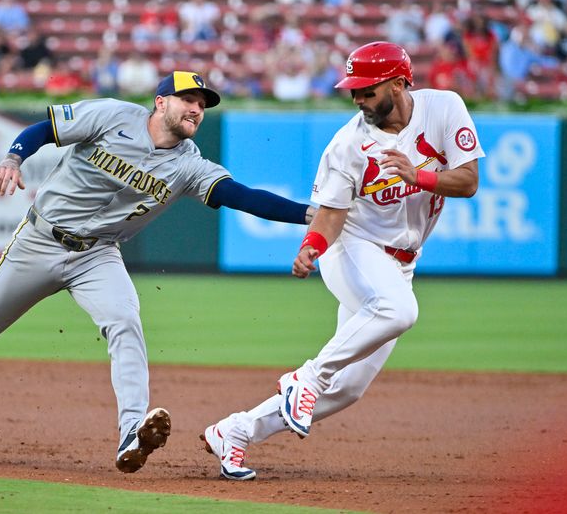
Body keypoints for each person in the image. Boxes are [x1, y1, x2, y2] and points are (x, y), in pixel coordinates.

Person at [0, 71, 317, 475]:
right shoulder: (113, 116)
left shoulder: (189, 165)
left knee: (125, 322)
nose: (197, 110)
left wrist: (312, 215)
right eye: (189, 99)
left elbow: (242, 197)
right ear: (161, 102)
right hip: (41, 239)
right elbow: (46, 129)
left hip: (96, 255)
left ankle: (132, 430)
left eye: (203, 105)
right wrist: (13, 157)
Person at [201, 42, 482, 481]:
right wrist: (312, 245)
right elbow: (332, 214)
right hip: (353, 247)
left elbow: (467, 181)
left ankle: (234, 432)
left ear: (397, 83)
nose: (357, 99)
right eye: (354, 90)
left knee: (348, 387)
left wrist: (420, 175)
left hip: (401, 263)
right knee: (400, 310)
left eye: (367, 90)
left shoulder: (444, 109)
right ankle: (306, 378)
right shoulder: (348, 144)